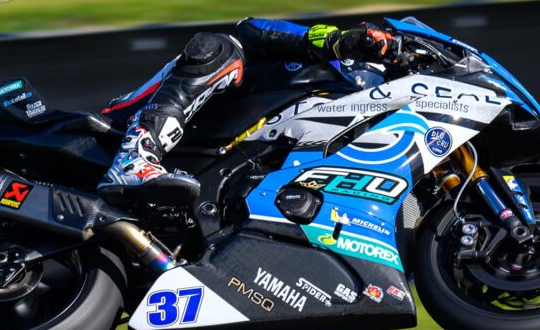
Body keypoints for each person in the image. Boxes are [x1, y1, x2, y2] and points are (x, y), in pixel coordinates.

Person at [97, 18, 401, 206]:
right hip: (121, 123)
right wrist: (337, 41)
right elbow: (251, 28)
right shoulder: (323, 65)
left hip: (201, 169)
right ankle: (134, 156)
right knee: (219, 48)